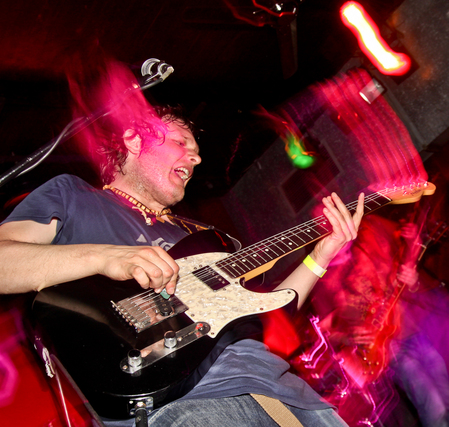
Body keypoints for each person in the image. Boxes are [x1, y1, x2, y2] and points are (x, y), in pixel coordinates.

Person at [0, 103, 365, 427]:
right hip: (180, 402)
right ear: (134, 140)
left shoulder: (212, 239)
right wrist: (107, 256)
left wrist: (322, 254)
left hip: (287, 394)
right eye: (181, 143)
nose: (196, 159)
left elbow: (272, 314)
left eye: (196, 151)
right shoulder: (73, 195)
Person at [311, 212, 449, 427]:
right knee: (433, 406)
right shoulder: (326, 279)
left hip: (411, 332)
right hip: (387, 352)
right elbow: (323, 332)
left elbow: (399, 280)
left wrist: (413, 257)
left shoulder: (368, 244)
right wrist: (348, 337)